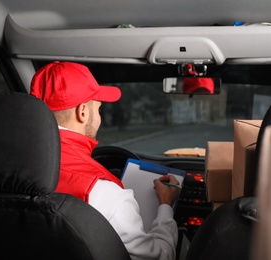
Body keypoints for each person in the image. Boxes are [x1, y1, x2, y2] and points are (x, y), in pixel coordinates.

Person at [30, 61, 180, 260]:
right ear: (82, 112)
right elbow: (158, 257)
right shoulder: (104, 193)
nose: (99, 117)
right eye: (98, 109)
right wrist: (165, 209)